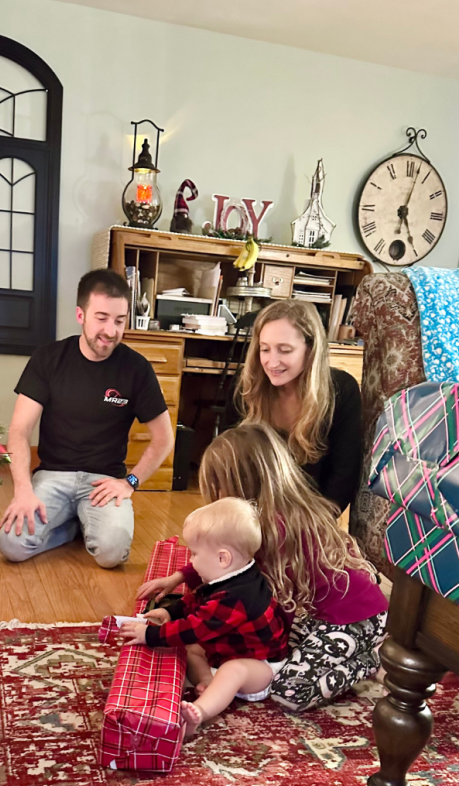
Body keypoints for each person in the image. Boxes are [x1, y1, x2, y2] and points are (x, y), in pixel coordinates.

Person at [138, 423, 388, 712]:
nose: (215, 496)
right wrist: (181, 576)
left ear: (243, 483)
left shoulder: (277, 528)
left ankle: (371, 660)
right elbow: (231, 561)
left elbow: (234, 577)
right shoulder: (255, 522)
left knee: (288, 690)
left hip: (356, 619)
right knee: (266, 651)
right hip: (317, 614)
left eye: (218, 486)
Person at [0, 269, 174, 568]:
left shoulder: (137, 368)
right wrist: (23, 490)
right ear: (81, 315)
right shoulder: (48, 359)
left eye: (119, 321)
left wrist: (130, 482)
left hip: (105, 481)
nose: (110, 330)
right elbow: (19, 430)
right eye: (101, 318)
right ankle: (72, 528)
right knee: (11, 546)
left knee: (111, 554)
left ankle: (82, 523)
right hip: (52, 475)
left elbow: (164, 438)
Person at [121, 497, 289, 737]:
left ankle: (199, 713)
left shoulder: (237, 597)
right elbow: (198, 601)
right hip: (230, 648)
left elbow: (194, 627)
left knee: (232, 670)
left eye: (194, 554)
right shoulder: (229, 576)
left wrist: (150, 635)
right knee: (191, 649)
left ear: (222, 558)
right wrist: (171, 611)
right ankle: (207, 682)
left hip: (261, 666)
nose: (190, 561)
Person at [225, 299, 362, 513]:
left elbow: (344, 475)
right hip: (249, 515)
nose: (272, 362)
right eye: (265, 349)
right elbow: (229, 465)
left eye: (285, 350)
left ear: (311, 350)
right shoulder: (245, 388)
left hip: (312, 518)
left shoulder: (342, 390)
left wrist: (313, 527)